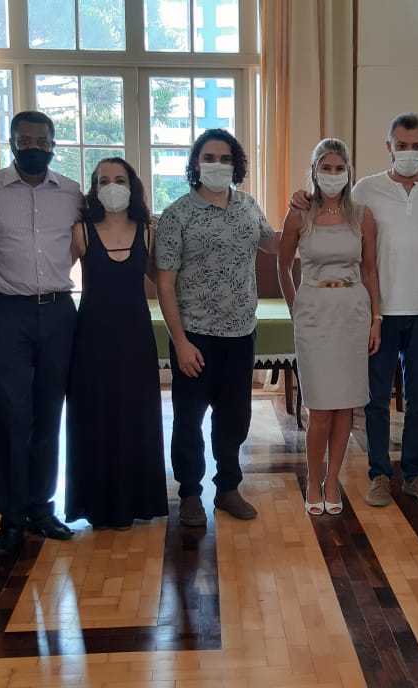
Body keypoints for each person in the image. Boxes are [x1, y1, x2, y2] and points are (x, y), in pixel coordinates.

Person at [155, 128, 280, 526]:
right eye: (209, 158)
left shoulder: (248, 206)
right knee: (188, 420)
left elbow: (274, 244)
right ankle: (190, 493)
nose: (217, 165)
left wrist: (302, 211)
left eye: (225, 159)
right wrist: (180, 342)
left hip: (241, 334)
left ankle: (228, 488)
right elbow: (165, 283)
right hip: (195, 336)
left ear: (236, 165)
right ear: (196, 164)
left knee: (234, 417)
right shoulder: (177, 214)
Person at [0, 111, 81, 557]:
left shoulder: (72, 192)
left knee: (50, 413)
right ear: (12, 142)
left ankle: (42, 507)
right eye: (25, 140)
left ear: (54, 144)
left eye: (42, 140)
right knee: (13, 415)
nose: (33, 147)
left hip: (59, 311)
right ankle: (12, 517)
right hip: (9, 314)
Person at [278, 139, 381, 516]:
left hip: (353, 310)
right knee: (321, 407)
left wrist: (376, 319)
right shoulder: (299, 214)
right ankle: (313, 478)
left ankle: (333, 480)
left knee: (345, 407)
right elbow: (283, 265)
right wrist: (296, 307)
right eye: (327, 168)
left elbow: (369, 270)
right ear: (315, 171)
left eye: (339, 168)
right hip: (314, 311)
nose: (333, 175)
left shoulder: (362, 216)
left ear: (348, 172)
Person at [350, 113, 418, 508]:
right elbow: (350, 240)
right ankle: (378, 475)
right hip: (381, 312)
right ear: (388, 146)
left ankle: (414, 475)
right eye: (402, 146)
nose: (409, 152)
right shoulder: (365, 189)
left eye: (416, 146)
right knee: (376, 400)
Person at [66, 157, 169, 530]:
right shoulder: (81, 231)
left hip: (135, 338)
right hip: (92, 339)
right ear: (94, 188)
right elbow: (55, 277)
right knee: (95, 418)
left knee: (135, 417)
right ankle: (96, 505)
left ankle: (134, 502)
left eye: (120, 179)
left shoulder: (148, 232)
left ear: (132, 186)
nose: (112, 186)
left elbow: (164, 280)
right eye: (104, 180)